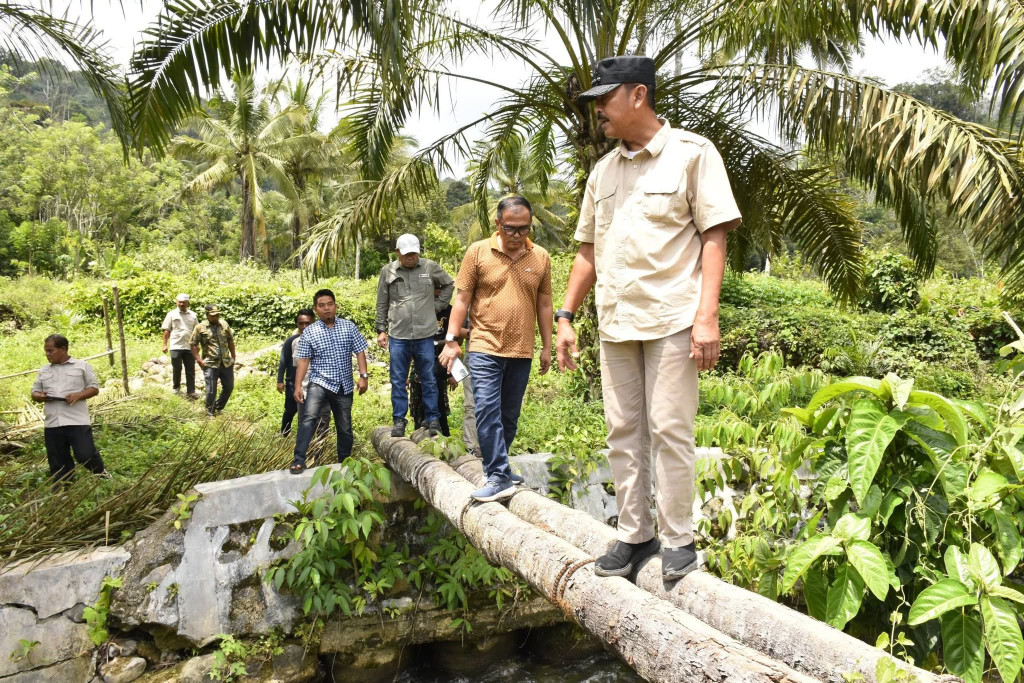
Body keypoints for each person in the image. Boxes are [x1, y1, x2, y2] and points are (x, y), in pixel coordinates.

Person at [556, 56, 742, 580]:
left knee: (669, 429)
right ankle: (635, 534)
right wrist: (566, 315)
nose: (597, 110)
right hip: (616, 321)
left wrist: (707, 316)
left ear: (638, 95)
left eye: (604, 99)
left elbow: (715, 236)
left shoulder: (692, 154)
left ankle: (679, 539)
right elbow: (588, 250)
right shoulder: (603, 171)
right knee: (623, 430)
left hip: (672, 317)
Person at [439, 196, 552, 502]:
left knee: (509, 415)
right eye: (510, 228)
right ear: (498, 223)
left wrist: (547, 346)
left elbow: (544, 304)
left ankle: (499, 467)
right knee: (487, 410)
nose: (517, 235)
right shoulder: (478, 252)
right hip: (484, 345)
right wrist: (451, 340)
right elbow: (461, 299)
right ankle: (499, 475)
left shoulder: (540, 257)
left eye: (524, 229)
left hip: (521, 349)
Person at [376, 233, 455, 437]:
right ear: (397, 252)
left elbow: (449, 284)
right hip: (398, 335)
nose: (411, 257)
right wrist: (381, 329)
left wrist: (438, 306)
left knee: (428, 378)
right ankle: (399, 420)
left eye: (414, 253)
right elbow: (382, 302)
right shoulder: (388, 271)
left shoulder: (429, 267)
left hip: (425, 334)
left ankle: (433, 419)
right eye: (406, 254)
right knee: (398, 380)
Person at [291, 289, 370, 473]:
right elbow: (303, 360)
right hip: (319, 382)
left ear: (336, 306)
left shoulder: (348, 327)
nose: (326, 308)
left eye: (329, 304)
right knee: (309, 418)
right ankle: (299, 460)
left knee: (345, 427)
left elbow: (360, 351)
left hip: (344, 385)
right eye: (322, 305)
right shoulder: (310, 332)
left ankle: (344, 463)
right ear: (316, 309)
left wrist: (363, 376)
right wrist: (298, 386)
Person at [30, 334, 111, 483]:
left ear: (63, 349)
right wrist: (40, 396)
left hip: (77, 420)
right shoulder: (44, 370)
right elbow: (34, 392)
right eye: (46, 351)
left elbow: (94, 389)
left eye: (50, 350)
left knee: (85, 454)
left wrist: (78, 395)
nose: (47, 354)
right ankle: (64, 488)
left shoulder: (82, 366)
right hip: (53, 422)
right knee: (58, 462)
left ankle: (101, 473)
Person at [190, 304, 236, 417]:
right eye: (213, 315)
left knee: (229, 387)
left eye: (217, 315)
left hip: (226, 363)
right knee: (211, 390)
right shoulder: (200, 327)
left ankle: (217, 407)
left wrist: (233, 356)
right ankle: (210, 412)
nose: (215, 317)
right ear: (207, 315)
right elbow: (193, 344)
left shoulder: (224, 324)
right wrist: (199, 360)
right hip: (210, 363)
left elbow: (230, 340)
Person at [277, 309, 316, 436]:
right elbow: (283, 360)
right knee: (290, 409)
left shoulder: (319, 340)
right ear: (297, 324)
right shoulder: (292, 341)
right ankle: (284, 433)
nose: (304, 326)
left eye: (307, 323)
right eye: (301, 323)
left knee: (308, 413)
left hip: (311, 383)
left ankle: (307, 438)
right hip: (292, 382)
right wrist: (280, 380)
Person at [161, 293, 199, 398]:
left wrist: (197, 345)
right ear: (177, 302)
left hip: (189, 346)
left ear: (188, 303)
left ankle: (191, 391)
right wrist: (164, 344)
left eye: (184, 302)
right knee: (177, 368)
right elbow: (167, 330)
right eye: (180, 302)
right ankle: (176, 389)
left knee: (190, 369)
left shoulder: (193, 315)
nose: (182, 304)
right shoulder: (171, 314)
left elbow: (197, 331)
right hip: (176, 346)